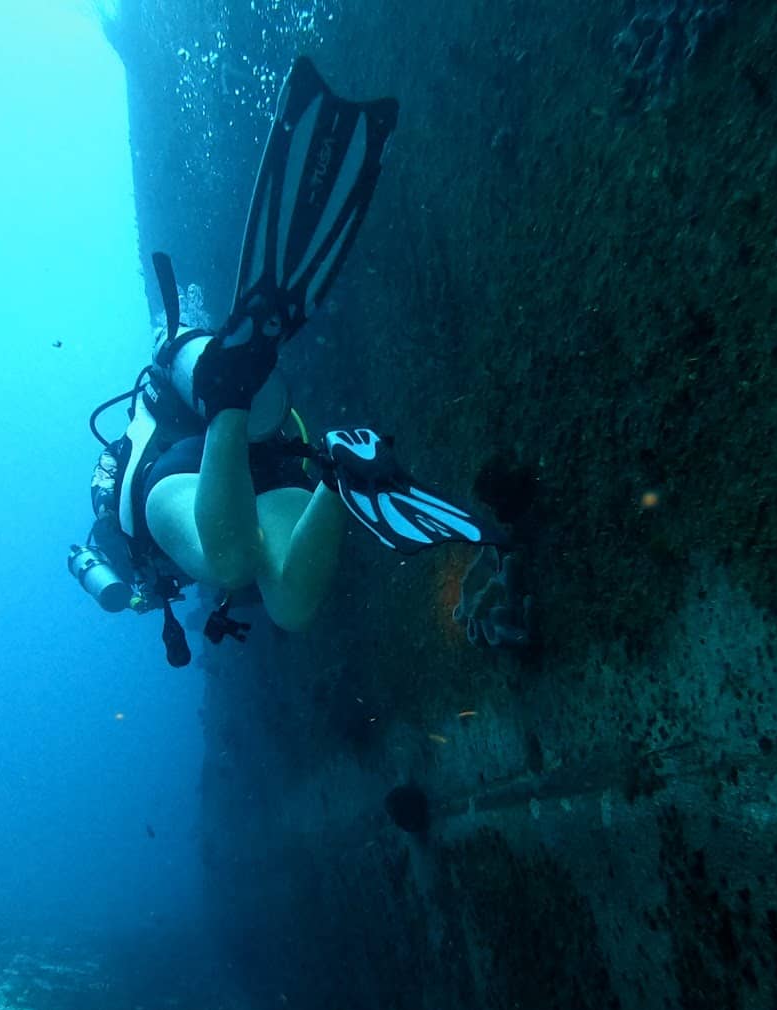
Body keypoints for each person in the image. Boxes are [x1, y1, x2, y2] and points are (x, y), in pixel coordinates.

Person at [70, 59, 501, 666]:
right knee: (289, 605)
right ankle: (341, 472)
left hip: (175, 470)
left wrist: (130, 578)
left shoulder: (124, 514)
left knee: (228, 561)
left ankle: (229, 396)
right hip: (268, 455)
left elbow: (128, 539)